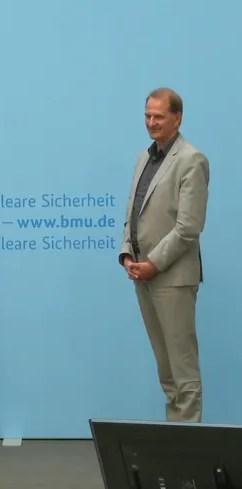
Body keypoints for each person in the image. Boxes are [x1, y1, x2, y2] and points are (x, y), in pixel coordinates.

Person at [119, 87, 210, 423]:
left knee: (182, 369)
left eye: (158, 116)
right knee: (166, 368)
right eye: (147, 116)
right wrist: (126, 253)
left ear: (177, 118)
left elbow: (188, 228)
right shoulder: (143, 158)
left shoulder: (191, 160)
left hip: (172, 278)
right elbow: (133, 213)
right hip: (143, 276)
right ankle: (175, 438)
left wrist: (153, 264)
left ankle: (187, 443)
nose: (151, 122)